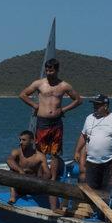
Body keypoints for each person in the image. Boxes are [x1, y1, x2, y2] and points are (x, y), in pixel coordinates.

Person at [19, 58, 82, 208]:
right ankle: (42, 175)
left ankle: (53, 178)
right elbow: (22, 94)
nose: (49, 72)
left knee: (55, 153)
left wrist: (63, 110)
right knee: (41, 152)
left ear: (57, 70)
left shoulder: (64, 85)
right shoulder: (39, 83)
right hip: (42, 122)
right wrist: (35, 105)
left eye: (51, 70)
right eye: (47, 70)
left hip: (56, 123)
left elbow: (78, 100)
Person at [73, 94, 112, 191]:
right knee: (91, 190)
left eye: (98, 105)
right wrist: (77, 151)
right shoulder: (89, 118)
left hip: (110, 162)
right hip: (91, 161)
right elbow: (83, 136)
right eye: (94, 105)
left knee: (108, 189)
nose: (95, 107)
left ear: (105, 106)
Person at [6, 130, 51, 204]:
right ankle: (12, 197)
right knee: (11, 171)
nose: (20, 142)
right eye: (20, 140)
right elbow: (9, 160)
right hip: (18, 185)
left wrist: (39, 182)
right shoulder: (17, 152)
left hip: (33, 185)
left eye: (24, 140)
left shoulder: (40, 156)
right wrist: (21, 171)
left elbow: (47, 173)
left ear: (32, 141)